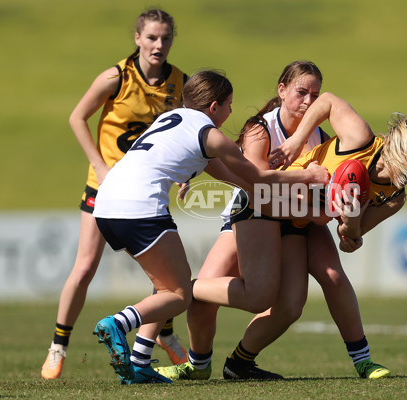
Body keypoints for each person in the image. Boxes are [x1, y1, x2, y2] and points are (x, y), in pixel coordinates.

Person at [155, 64, 396, 381]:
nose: (309, 101)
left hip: (295, 221)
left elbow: (326, 210)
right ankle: (196, 361)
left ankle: (240, 364)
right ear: (282, 90)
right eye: (301, 92)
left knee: (295, 303)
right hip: (252, 214)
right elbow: (257, 189)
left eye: (314, 94)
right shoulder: (261, 129)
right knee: (205, 299)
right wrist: (309, 194)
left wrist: (344, 222)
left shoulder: (322, 138)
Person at [90, 69, 330, 384]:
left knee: (170, 290)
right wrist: (306, 176)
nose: (231, 112)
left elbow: (233, 179)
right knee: (178, 294)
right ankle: (118, 323)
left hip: (106, 205)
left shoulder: (170, 119)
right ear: (214, 106)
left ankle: (138, 365)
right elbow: (256, 177)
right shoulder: (211, 134)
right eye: (229, 105)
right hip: (140, 206)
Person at [226, 92, 407, 379]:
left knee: (315, 289)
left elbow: (349, 238)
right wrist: (295, 142)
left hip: (303, 220)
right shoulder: (360, 140)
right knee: (227, 286)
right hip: (269, 203)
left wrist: (352, 216)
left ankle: (361, 361)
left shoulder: (394, 197)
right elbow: (326, 100)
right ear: (398, 146)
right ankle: (182, 309)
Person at [41, 9, 189, 381]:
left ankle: (165, 335)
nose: (159, 45)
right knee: (86, 266)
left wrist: (184, 174)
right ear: (137, 38)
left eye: (166, 38)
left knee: (165, 277)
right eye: (152, 37)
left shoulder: (180, 83)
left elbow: (184, 132)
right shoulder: (115, 77)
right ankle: (58, 347)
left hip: (145, 190)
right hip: (104, 187)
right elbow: (78, 117)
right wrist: (100, 165)